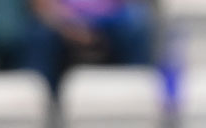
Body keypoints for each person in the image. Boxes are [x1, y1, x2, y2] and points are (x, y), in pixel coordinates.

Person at [23, 0, 152, 88]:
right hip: (62, 19)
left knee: (137, 25)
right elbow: (42, 6)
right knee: (39, 37)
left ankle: (134, 100)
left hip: (111, 17)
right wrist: (71, 26)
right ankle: (42, 103)